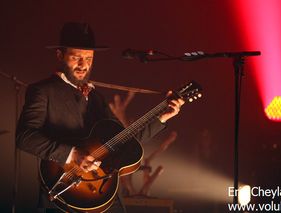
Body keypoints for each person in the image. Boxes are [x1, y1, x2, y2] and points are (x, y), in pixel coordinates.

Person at [16, 22, 184, 213]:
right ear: (60, 56)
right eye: (76, 57)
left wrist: (162, 117)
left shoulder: (96, 97)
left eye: (89, 58)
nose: (83, 65)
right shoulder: (43, 91)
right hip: (66, 193)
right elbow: (24, 138)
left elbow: (124, 141)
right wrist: (72, 154)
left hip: (106, 196)